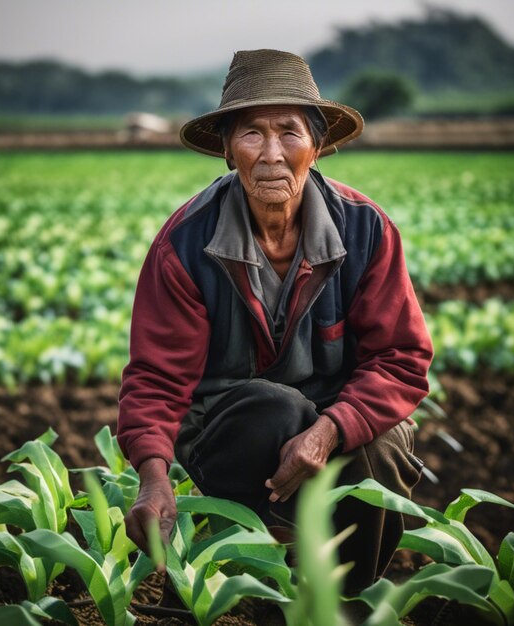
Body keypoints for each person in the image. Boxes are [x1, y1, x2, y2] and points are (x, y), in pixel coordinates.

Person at [117, 49, 433, 593]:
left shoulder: (366, 231)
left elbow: (401, 358)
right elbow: (158, 378)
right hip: (230, 423)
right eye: (250, 134)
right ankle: (250, 573)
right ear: (225, 149)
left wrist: (330, 430)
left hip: (340, 414)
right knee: (275, 407)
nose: (270, 155)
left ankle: (346, 596)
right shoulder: (186, 244)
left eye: (289, 133)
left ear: (318, 146)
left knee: (379, 447)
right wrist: (152, 477)